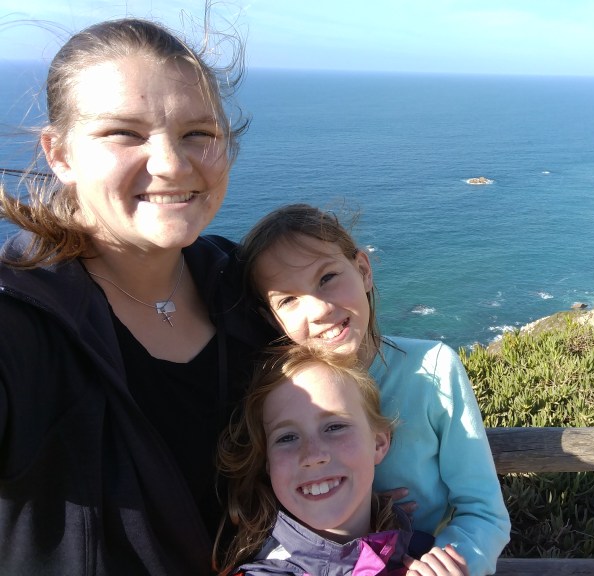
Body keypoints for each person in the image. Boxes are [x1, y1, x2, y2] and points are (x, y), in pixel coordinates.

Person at [0, 16, 272, 576]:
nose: (172, 164)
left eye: (198, 133)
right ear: (59, 154)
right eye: (124, 133)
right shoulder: (20, 319)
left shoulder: (249, 286)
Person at [239, 204, 511, 576]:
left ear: (364, 270)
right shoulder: (278, 394)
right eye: (288, 299)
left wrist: (441, 565)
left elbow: (483, 511)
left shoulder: (433, 367)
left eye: (327, 277)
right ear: (272, 319)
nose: (319, 309)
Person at [217, 344, 469, 576]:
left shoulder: (422, 552)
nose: (313, 456)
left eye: (334, 427)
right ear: (268, 464)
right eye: (287, 437)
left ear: (378, 443)